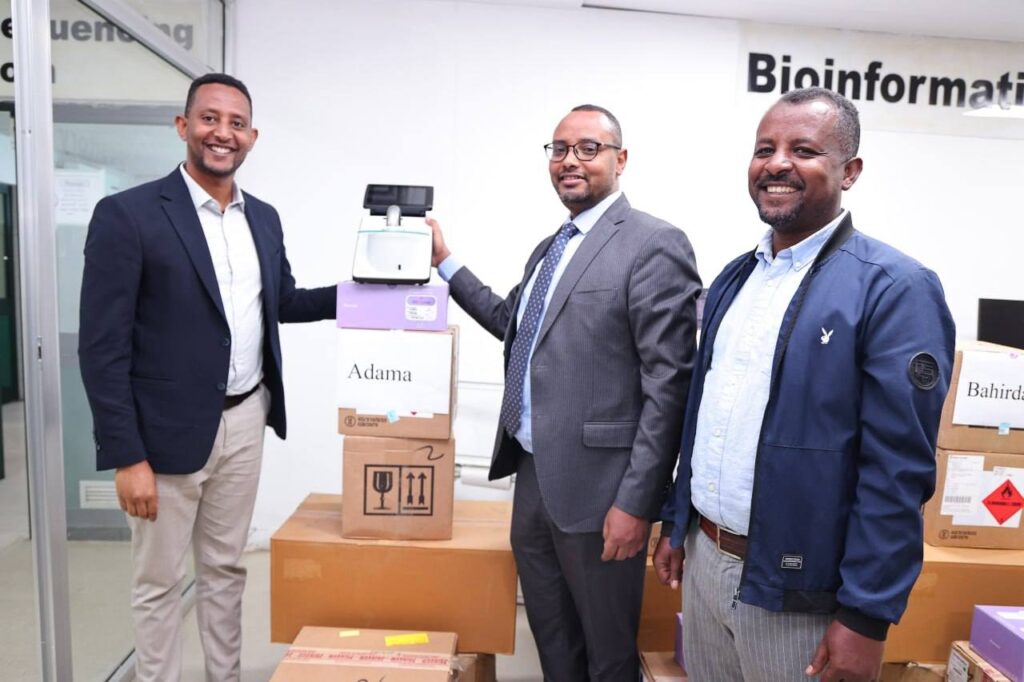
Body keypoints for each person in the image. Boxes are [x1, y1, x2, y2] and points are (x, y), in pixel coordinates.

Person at [653, 87, 955, 682]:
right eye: (765, 149)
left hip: (802, 594)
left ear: (850, 171)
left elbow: (897, 470)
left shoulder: (894, 288)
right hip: (706, 562)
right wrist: (677, 520)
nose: (777, 163)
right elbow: (706, 417)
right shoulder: (735, 278)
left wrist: (866, 615)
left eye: (804, 150)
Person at [429, 104, 701, 680]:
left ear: (620, 159)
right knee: (554, 643)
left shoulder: (653, 243)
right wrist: (445, 264)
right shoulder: (549, 248)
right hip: (533, 477)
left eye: (588, 148)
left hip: (603, 493)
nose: (570, 160)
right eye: (559, 149)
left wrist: (637, 503)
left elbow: (669, 386)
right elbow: (511, 322)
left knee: (607, 654)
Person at [78, 73, 336, 682]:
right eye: (210, 118)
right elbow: (102, 347)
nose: (223, 133)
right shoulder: (128, 215)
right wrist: (126, 455)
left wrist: (364, 292)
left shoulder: (263, 219)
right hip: (162, 434)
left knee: (225, 570)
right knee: (159, 582)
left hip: (245, 419)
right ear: (183, 126)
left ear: (252, 136)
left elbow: (284, 301)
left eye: (236, 123)